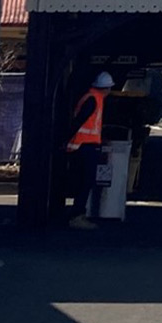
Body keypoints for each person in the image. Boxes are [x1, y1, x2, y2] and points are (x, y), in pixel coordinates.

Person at [64, 71, 114, 230]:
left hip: (83, 146)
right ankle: (77, 216)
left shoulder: (91, 98)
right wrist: (65, 140)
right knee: (85, 182)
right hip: (84, 147)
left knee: (82, 182)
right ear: (105, 88)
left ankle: (76, 214)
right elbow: (79, 122)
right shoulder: (93, 100)